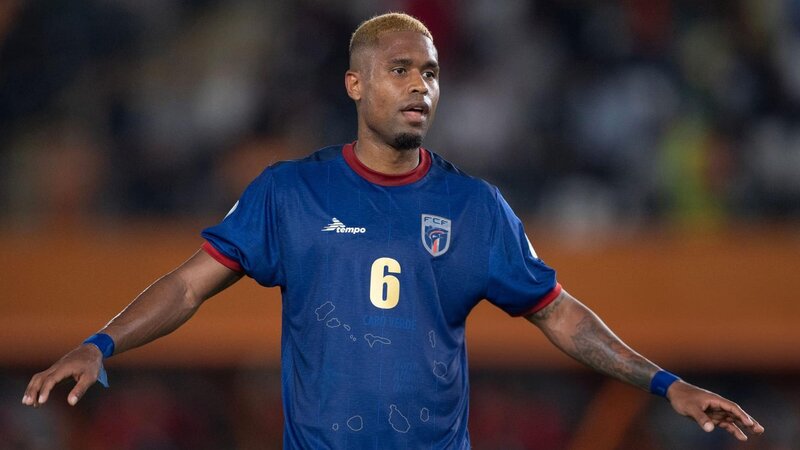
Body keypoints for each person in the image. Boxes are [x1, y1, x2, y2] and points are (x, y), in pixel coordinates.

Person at [23, 12, 763, 449]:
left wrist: (665, 383)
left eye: (431, 72)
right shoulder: (291, 192)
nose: (420, 86)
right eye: (401, 69)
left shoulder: (475, 208)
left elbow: (561, 315)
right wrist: (99, 343)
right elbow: (189, 286)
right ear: (356, 83)